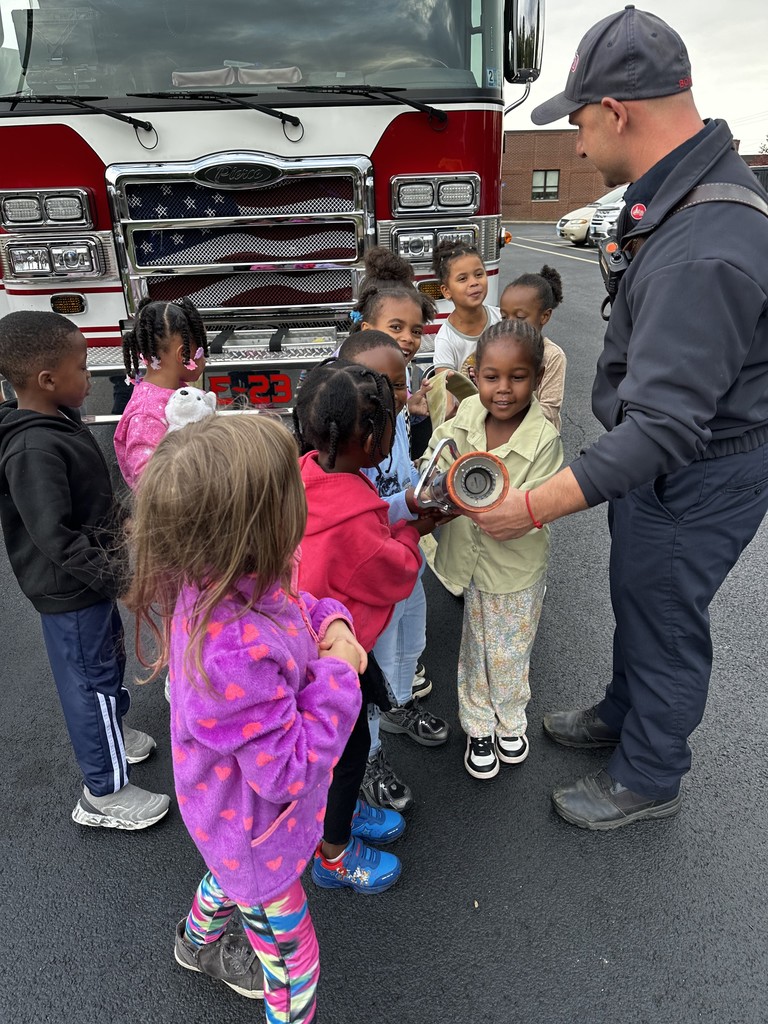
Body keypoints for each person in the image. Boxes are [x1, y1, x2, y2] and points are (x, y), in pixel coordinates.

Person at [474, 6, 768, 828]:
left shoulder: (706, 240)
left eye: (577, 121)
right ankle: (621, 714)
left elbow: (669, 427)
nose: (573, 144)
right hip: (671, 462)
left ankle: (650, 773)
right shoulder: (679, 200)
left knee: (667, 613)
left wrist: (528, 507)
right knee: (639, 592)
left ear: (618, 112)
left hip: (697, 466)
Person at [125, 413, 364, 1020]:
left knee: (226, 876)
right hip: (260, 834)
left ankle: (194, 943)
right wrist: (338, 673)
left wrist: (331, 623)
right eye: (292, 492)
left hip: (233, 823)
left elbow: (295, 607)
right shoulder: (232, 649)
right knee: (293, 965)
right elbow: (288, 771)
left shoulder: (230, 577)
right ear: (254, 526)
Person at [0, 310, 169, 830]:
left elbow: (87, 498)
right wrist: (121, 581)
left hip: (90, 584)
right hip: (71, 592)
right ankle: (103, 792)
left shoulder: (58, 420)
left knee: (107, 663)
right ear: (47, 380)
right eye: (81, 368)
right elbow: (56, 537)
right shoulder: (32, 446)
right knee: (89, 684)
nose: (90, 377)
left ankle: (111, 733)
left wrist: (124, 521)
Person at [294, 361, 431, 893]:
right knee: (345, 757)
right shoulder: (353, 510)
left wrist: (401, 520)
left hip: (302, 644)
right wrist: (416, 529)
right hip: (335, 657)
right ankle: (333, 854)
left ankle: (339, 816)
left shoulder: (307, 474)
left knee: (329, 757)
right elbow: (390, 571)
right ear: (371, 441)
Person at [421, 320, 563, 779]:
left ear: (537, 378)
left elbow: (540, 501)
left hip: (516, 567)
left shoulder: (545, 438)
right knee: (475, 645)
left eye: (517, 377)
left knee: (511, 648)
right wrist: (436, 483)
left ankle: (512, 716)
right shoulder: (463, 418)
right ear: (475, 374)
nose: (503, 389)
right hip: (469, 561)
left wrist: (484, 503)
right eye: (491, 377)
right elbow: (433, 462)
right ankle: (479, 722)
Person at [338, 329, 450, 813]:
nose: (396, 396)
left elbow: (404, 476)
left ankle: (400, 703)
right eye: (385, 385)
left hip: (406, 565)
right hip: (374, 584)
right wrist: (413, 510)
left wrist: (426, 493)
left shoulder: (397, 420)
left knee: (409, 644)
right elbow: (369, 518)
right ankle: (370, 755)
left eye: (401, 384)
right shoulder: (344, 451)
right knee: (370, 675)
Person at [113, 297, 208, 490]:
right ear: (183, 355)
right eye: (202, 350)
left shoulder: (181, 392)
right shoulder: (146, 413)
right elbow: (148, 481)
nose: (204, 358)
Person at [500, 265, 567, 431]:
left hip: (539, 442)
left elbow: (549, 410)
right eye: (504, 317)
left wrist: (507, 410)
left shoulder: (552, 356)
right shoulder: (498, 351)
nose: (510, 324)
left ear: (544, 316)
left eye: (520, 317)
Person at [431, 239, 502, 376]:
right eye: (463, 279)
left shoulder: (502, 319)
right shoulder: (446, 339)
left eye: (479, 274)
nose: (474, 282)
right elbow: (446, 391)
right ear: (446, 291)